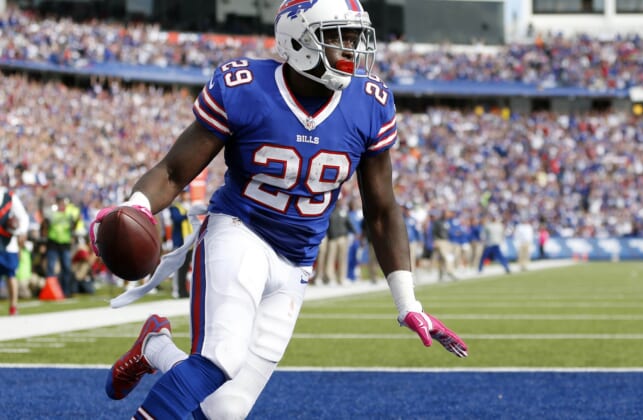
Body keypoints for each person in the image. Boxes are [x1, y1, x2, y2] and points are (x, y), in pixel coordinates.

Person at [90, 1, 468, 419]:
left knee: (225, 411)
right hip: (240, 230)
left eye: (354, 37)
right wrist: (135, 206)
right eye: (338, 37)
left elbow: (381, 209)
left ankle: (155, 347)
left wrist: (407, 302)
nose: (351, 48)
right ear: (298, 39)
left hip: (297, 261)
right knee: (221, 356)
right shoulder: (246, 87)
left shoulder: (369, 102)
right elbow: (173, 172)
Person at [41, 194, 80, 297]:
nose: (63, 205)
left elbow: (73, 228)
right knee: (51, 268)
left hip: (65, 244)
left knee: (66, 268)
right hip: (53, 243)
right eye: (61, 203)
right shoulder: (51, 214)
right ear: (57, 203)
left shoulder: (69, 215)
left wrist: (76, 221)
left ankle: (65, 291)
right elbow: (44, 227)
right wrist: (43, 242)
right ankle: (51, 291)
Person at [0, 185, 30, 315]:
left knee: (10, 275)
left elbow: (23, 216)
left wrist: (21, 231)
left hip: (8, 242)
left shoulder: (9, 196)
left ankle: (13, 306)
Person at [162, 188, 193, 297]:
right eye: (184, 193)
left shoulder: (190, 205)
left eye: (187, 193)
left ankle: (184, 290)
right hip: (180, 242)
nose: (186, 195)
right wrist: (188, 213)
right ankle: (177, 290)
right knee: (178, 267)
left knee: (186, 268)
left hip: (189, 241)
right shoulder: (176, 207)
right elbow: (177, 218)